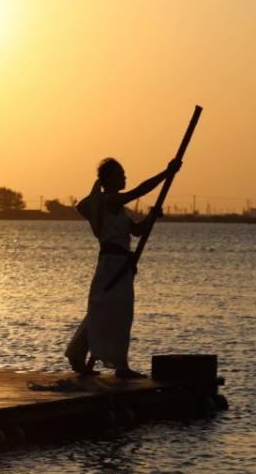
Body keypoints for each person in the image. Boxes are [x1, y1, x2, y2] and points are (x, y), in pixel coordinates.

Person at [65, 157, 181, 378]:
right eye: (120, 174)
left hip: (121, 265)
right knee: (108, 311)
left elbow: (136, 231)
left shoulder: (118, 208)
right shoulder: (110, 201)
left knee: (112, 312)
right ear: (108, 179)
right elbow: (139, 191)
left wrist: (152, 216)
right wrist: (166, 173)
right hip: (110, 267)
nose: (125, 177)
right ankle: (117, 365)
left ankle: (82, 354)